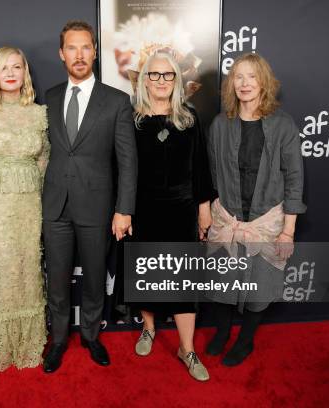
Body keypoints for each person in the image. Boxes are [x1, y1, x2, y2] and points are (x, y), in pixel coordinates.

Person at [42, 20, 138, 373]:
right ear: (61, 53)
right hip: (55, 206)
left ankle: (91, 335)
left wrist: (124, 209)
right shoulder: (49, 97)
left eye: (85, 47)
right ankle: (58, 340)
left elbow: (128, 162)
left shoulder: (116, 101)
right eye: (72, 47)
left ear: (95, 52)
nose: (79, 55)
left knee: (96, 277)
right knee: (57, 278)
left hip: (98, 207)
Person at [206, 53, 306, 366]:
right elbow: (211, 175)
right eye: (238, 77)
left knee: (260, 286)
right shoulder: (221, 124)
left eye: (252, 76)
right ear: (231, 84)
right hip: (228, 219)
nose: (245, 83)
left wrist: (288, 230)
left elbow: (294, 178)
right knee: (223, 283)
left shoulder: (283, 125)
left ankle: (245, 340)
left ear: (263, 82)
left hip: (268, 222)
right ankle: (222, 333)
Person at [129, 51, 214, 381]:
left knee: (182, 280)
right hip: (144, 209)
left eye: (168, 75)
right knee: (146, 272)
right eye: (154, 75)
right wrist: (126, 210)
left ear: (177, 81)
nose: (161, 81)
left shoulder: (190, 118)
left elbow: (201, 167)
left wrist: (203, 207)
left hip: (181, 209)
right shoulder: (132, 120)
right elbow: (124, 170)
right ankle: (148, 329)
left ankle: (187, 348)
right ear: (145, 80)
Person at [0, 46, 49, 371]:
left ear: (24, 73)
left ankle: (25, 342)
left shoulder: (38, 113)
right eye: (3, 67)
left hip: (29, 203)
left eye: (16, 66)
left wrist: (37, 189)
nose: (10, 73)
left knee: (25, 269)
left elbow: (45, 157)